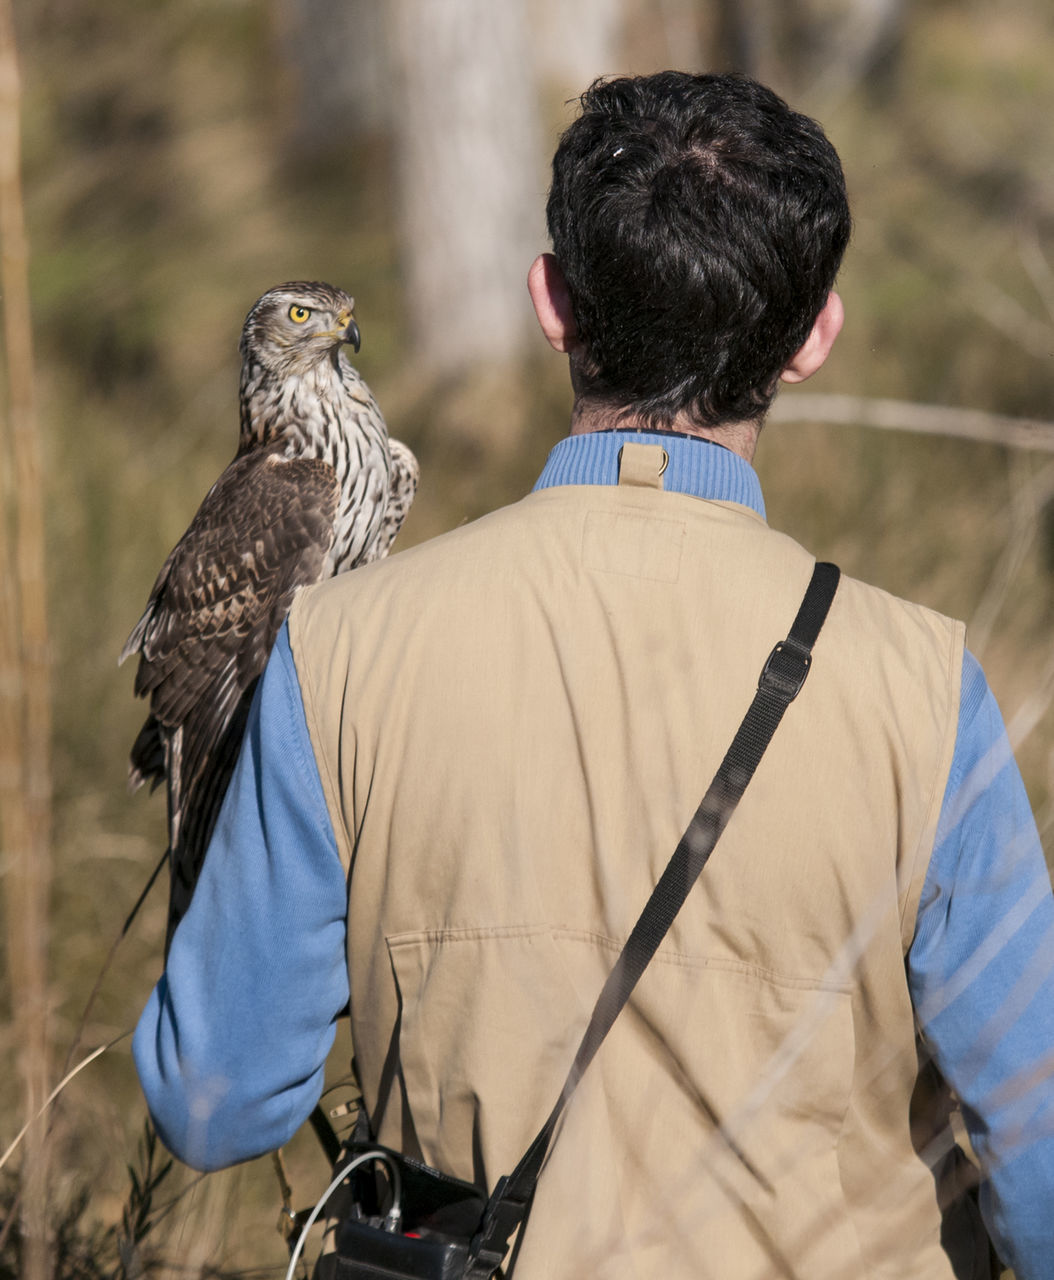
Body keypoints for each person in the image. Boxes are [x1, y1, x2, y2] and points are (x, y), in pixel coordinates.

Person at [133, 72, 1054, 1278]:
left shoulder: (338, 648)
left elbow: (213, 1100)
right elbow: (1036, 1143)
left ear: (551, 303)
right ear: (816, 334)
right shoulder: (928, 687)